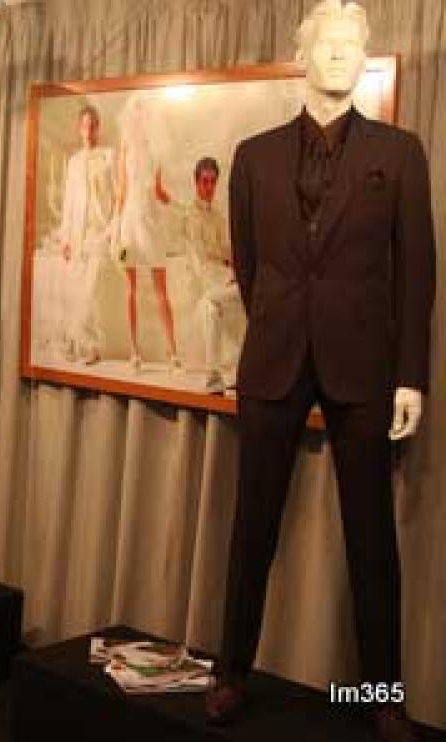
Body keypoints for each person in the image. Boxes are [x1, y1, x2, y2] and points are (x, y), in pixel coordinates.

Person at [206, 4, 435, 742]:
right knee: (252, 526)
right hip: (274, 359)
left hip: (364, 365)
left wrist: (410, 377)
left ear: (363, 58)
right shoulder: (254, 156)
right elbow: (249, 266)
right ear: (301, 55)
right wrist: (282, 323)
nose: (339, 53)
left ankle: (382, 696)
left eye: (351, 44)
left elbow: (418, 272)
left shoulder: (399, 153)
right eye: (325, 43)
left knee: (372, 537)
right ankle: (231, 674)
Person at [114, 95, 178, 371]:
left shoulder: (156, 151)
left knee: (161, 289)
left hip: (151, 222)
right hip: (129, 222)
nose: (140, 117)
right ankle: (134, 351)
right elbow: (121, 191)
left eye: (144, 112)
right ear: (131, 117)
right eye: (136, 112)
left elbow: (159, 190)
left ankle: (173, 352)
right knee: (131, 289)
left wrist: (176, 204)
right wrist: (115, 228)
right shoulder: (125, 149)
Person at [177, 157, 245, 388]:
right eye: (204, 182)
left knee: (220, 302)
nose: (209, 187)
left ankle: (223, 371)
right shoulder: (189, 215)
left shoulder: (217, 215)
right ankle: (217, 372)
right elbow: (199, 264)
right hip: (203, 281)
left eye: (213, 182)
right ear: (196, 182)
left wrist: (236, 270)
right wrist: (225, 278)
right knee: (210, 306)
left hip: (220, 279)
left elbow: (227, 251)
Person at [58, 105, 115, 365]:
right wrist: (65, 238)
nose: (88, 131)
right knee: (78, 292)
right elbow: (68, 202)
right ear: (79, 129)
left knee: (90, 292)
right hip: (78, 236)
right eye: (84, 126)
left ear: (98, 128)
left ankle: (90, 346)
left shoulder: (108, 157)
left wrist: (111, 231)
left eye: (92, 126)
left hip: (100, 234)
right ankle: (78, 344)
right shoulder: (74, 162)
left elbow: (118, 196)